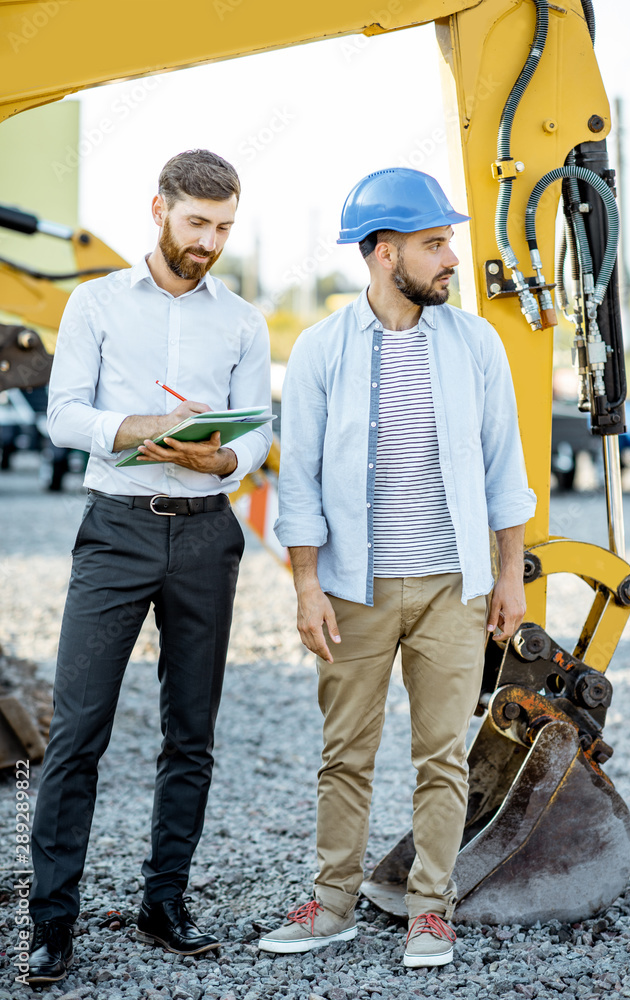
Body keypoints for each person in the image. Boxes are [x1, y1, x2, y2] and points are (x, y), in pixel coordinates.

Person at [258, 168, 536, 968]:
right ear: (384, 253)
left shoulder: (474, 343)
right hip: (353, 589)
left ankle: (430, 910)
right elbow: (298, 478)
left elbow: (502, 468)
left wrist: (509, 575)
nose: (450, 257)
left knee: (441, 756)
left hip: (453, 587)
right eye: (432, 243)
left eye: (447, 239)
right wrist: (306, 585)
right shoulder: (319, 350)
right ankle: (332, 904)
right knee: (344, 752)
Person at [27, 149, 272, 984]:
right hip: (116, 530)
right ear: (159, 210)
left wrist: (224, 462)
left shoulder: (240, 320)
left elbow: (258, 433)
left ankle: (164, 902)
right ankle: (52, 922)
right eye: (197, 223)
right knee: (77, 732)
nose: (209, 242)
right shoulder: (94, 303)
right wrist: (135, 430)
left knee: (190, 734)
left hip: (207, 533)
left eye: (224, 228)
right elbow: (62, 415)